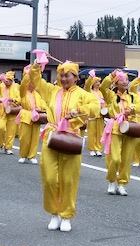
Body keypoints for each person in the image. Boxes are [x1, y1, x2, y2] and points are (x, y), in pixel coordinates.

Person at [28, 60, 99, 232]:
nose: (63, 78)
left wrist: (79, 110)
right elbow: (36, 80)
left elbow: (95, 107)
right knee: (50, 177)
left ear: (75, 77)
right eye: (61, 75)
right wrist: (36, 66)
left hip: (71, 137)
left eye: (67, 75)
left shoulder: (83, 94)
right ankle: (54, 213)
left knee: (69, 179)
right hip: (52, 136)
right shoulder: (52, 91)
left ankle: (66, 215)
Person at [100, 70, 140, 196]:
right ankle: (111, 181)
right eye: (122, 80)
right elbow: (103, 86)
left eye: (126, 80)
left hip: (129, 128)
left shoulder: (132, 96)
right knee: (115, 158)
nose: (125, 82)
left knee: (126, 159)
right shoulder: (110, 95)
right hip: (116, 127)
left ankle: (122, 184)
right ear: (116, 83)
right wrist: (112, 75)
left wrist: (131, 109)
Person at [16, 71, 47, 164]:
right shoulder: (23, 92)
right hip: (26, 115)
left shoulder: (37, 94)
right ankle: (23, 155)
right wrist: (28, 74)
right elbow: (23, 85)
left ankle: (32, 156)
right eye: (31, 82)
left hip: (36, 117)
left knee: (35, 138)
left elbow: (44, 105)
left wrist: (40, 108)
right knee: (24, 137)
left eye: (34, 83)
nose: (32, 85)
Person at [0, 71, 20, 155]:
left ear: (12, 80)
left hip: (12, 110)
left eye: (9, 80)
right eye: (6, 79)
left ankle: (8, 147)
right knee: (0, 128)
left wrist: (15, 100)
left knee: (11, 130)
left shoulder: (16, 87)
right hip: (2, 110)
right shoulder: (1, 86)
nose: (7, 81)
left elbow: (20, 98)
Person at [84, 70, 105, 156]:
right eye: (96, 82)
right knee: (91, 133)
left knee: (100, 133)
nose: (98, 83)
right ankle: (92, 149)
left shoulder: (101, 92)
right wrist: (90, 77)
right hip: (92, 116)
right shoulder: (89, 91)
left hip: (100, 116)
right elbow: (87, 85)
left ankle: (98, 149)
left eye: (99, 82)